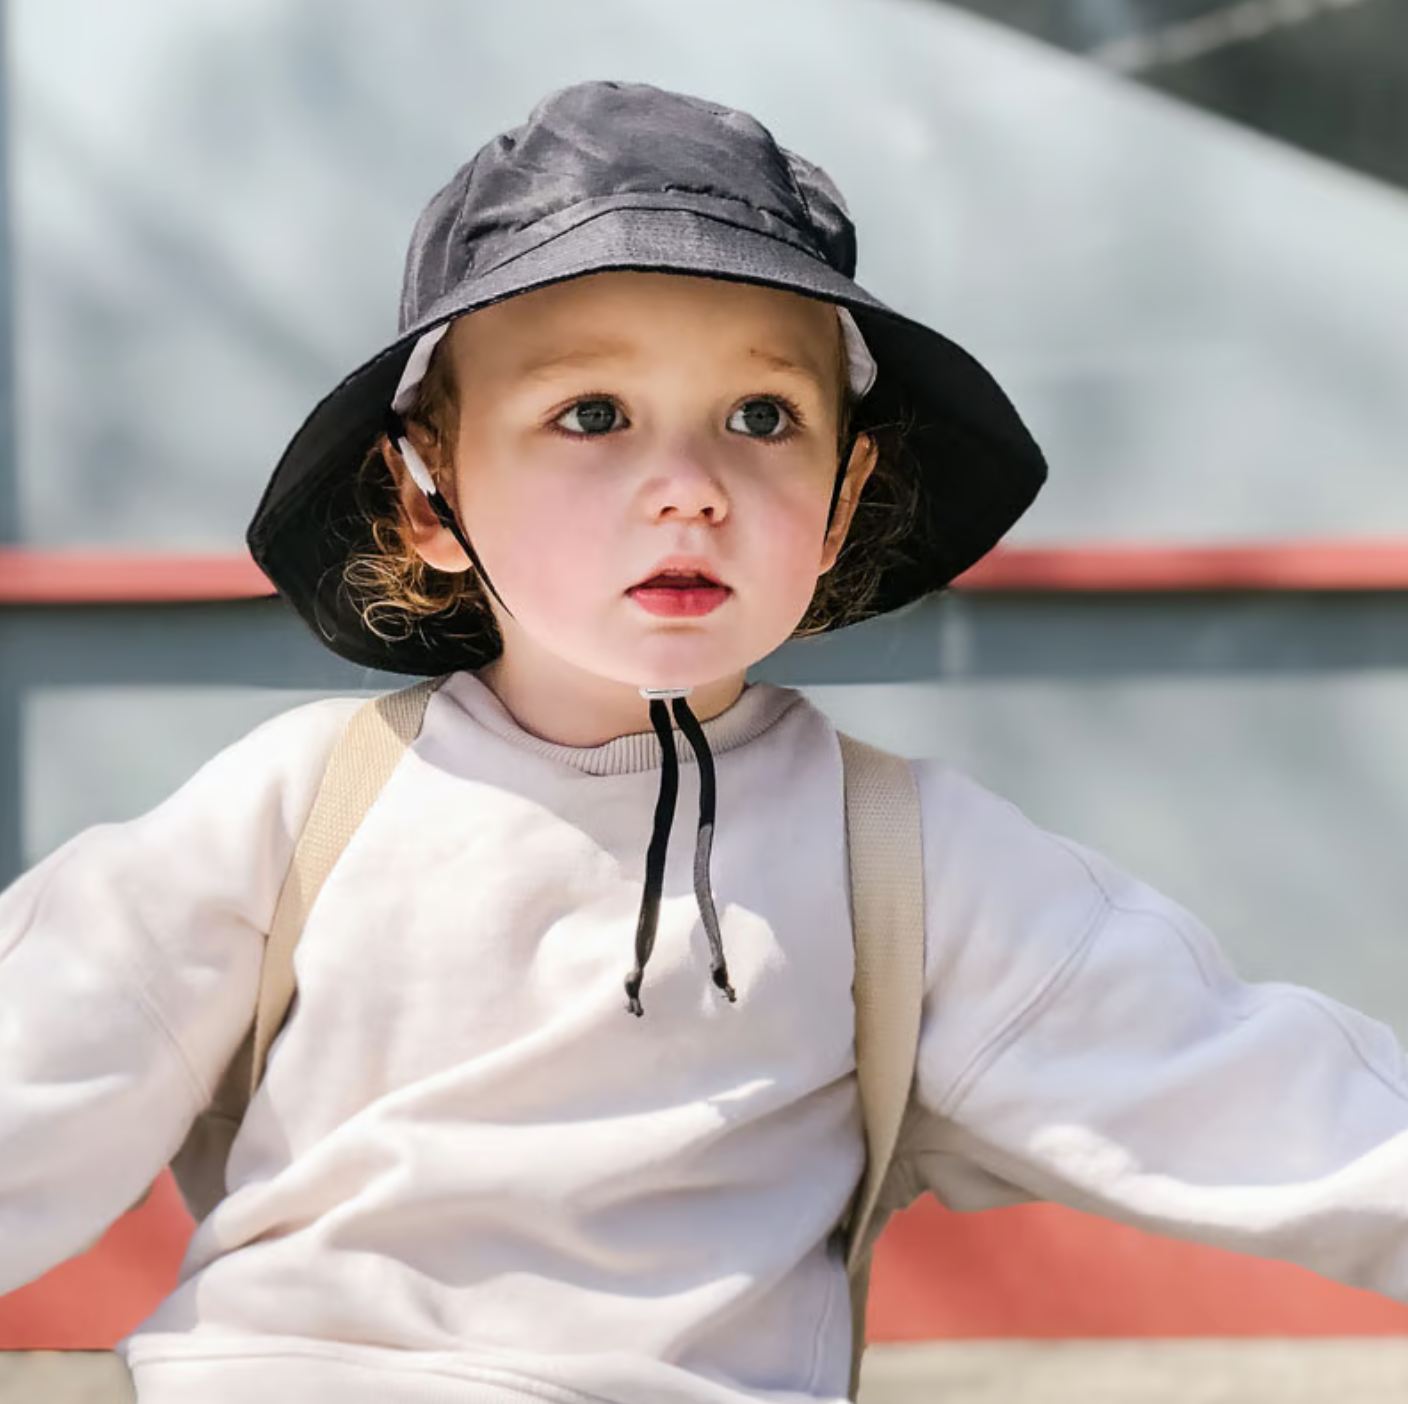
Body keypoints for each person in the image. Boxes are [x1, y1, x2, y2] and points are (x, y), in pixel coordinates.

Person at [2, 79, 1407, 1404]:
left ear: (845, 496)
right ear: (429, 496)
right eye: (592, 415)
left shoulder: (906, 865)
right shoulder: (298, 808)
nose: (688, 490)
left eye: (762, 417)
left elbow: (1289, 1119)